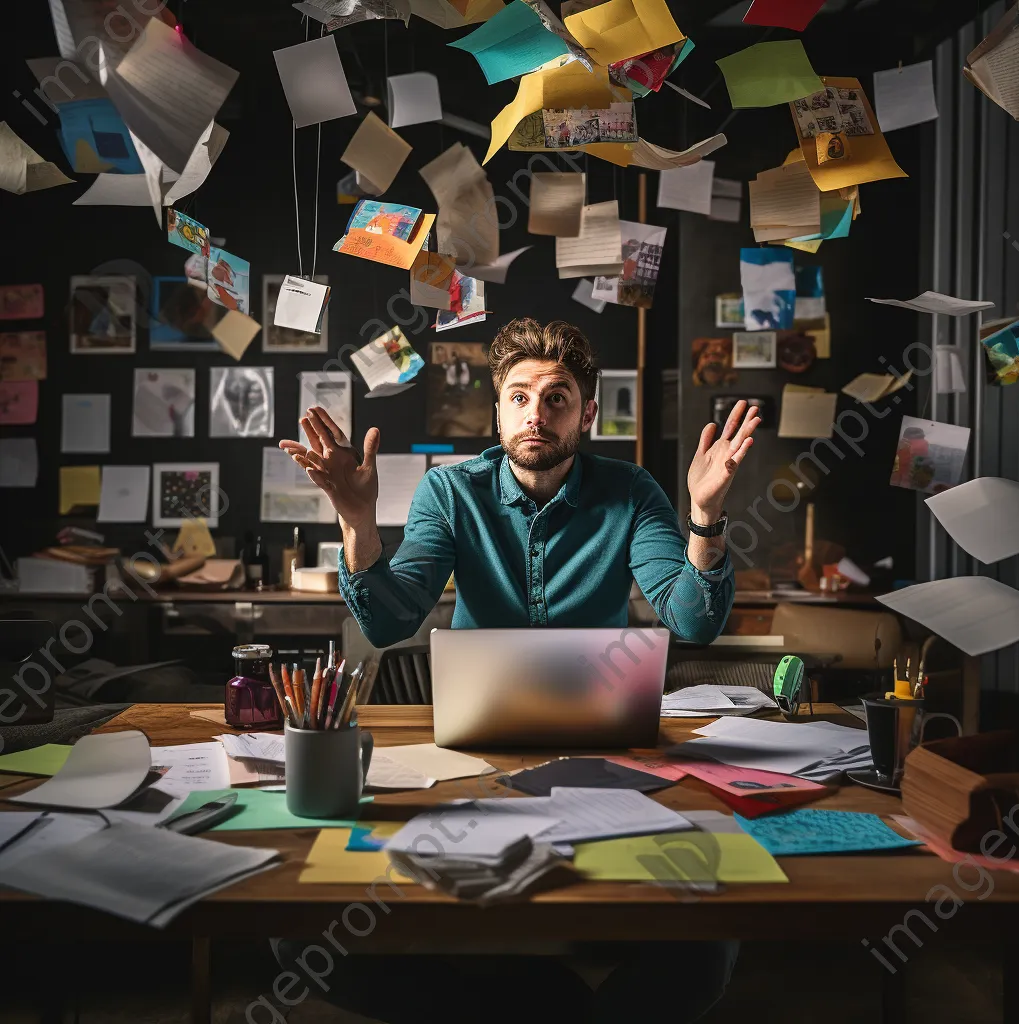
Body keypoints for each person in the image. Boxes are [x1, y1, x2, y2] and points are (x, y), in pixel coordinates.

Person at [275, 319, 760, 1023]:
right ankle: (515, 1006)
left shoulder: (632, 492)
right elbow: (387, 620)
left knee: (710, 941)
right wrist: (357, 520)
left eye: (558, 396)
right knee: (297, 938)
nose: (538, 412)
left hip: (606, 762)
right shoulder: (452, 493)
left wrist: (706, 519)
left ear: (588, 412)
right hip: (471, 765)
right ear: (497, 408)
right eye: (520, 396)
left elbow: (690, 620)